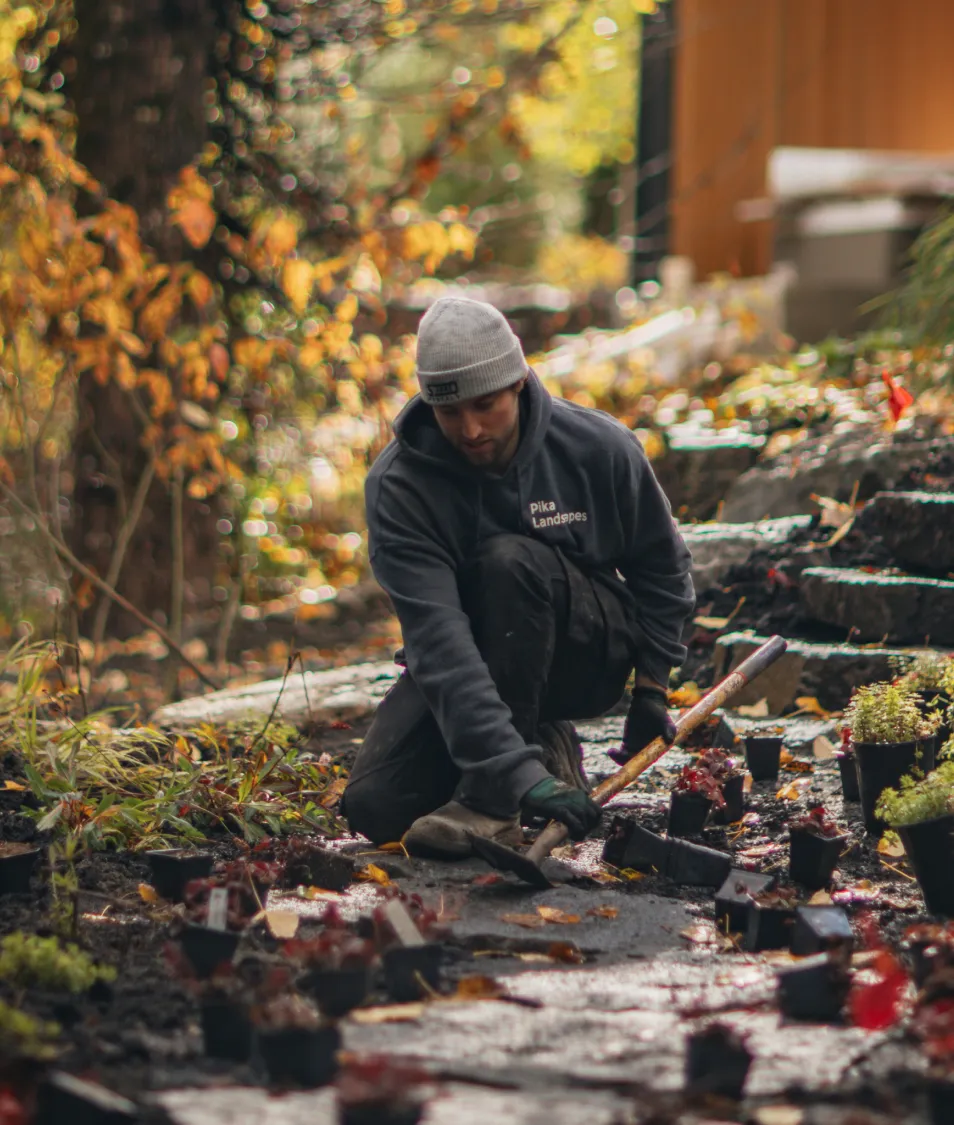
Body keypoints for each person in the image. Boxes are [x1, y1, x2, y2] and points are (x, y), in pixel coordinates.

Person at [342, 296, 695, 859]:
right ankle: (536, 751)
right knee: (376, 807)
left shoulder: (598, 448)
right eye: (450, 411)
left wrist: (652, 684)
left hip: (586, 653)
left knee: (507, 562)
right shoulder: (401, 488)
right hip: (481, 658)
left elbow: (663, 565)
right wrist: (517, 768)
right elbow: (438, 644)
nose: (472, 429)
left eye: (486, 405)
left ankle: (493, 801)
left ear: (517, 384)